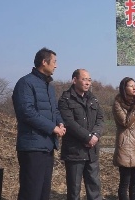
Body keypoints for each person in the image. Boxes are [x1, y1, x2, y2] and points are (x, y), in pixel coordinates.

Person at [12, 47, 66, 200]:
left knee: (43, 192)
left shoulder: (49, 85)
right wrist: (52, 128)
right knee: (31, 192)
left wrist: (60, 123)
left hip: (47, 145)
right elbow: (26, 113)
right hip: (32, 146)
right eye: (54, 62)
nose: (56, 65)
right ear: (44, 62)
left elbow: (54, 110)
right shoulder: (25, 83)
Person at [58, 69, 105, 200]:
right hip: (75, 153)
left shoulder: (93, 99)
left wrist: (95, 135)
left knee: (95, 188)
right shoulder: (65, 99)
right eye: (84, 79)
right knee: (74, 191)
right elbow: (69, 123)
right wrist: (88, 137)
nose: (88, 83)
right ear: (74, 80)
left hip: (92, 152)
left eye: (89, 80)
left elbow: (100, 119)